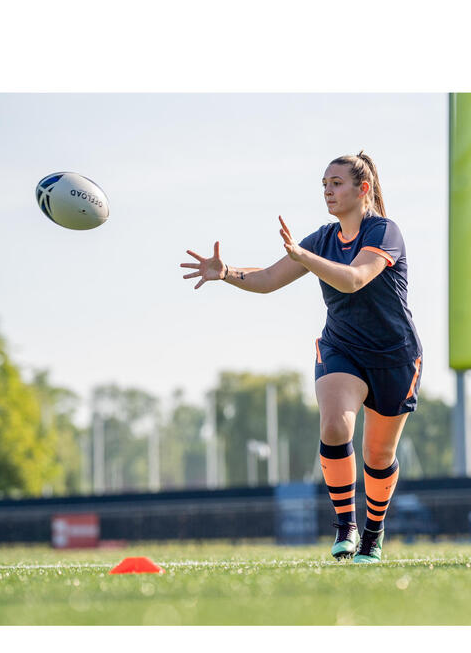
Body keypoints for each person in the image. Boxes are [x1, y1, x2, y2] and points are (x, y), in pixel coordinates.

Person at [180, 152, 422, 563]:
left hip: (394, 356)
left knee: (377, 457)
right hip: (341, 347)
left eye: (337, 183)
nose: (328, 191)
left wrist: (305, 257)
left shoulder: (385, 231)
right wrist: (228, 273)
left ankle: (373, 533)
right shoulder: (322, 238)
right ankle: (345, 525)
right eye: (324, 184)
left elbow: (354, 279)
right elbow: (270, 278)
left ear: (363, 189)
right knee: (333, 425)